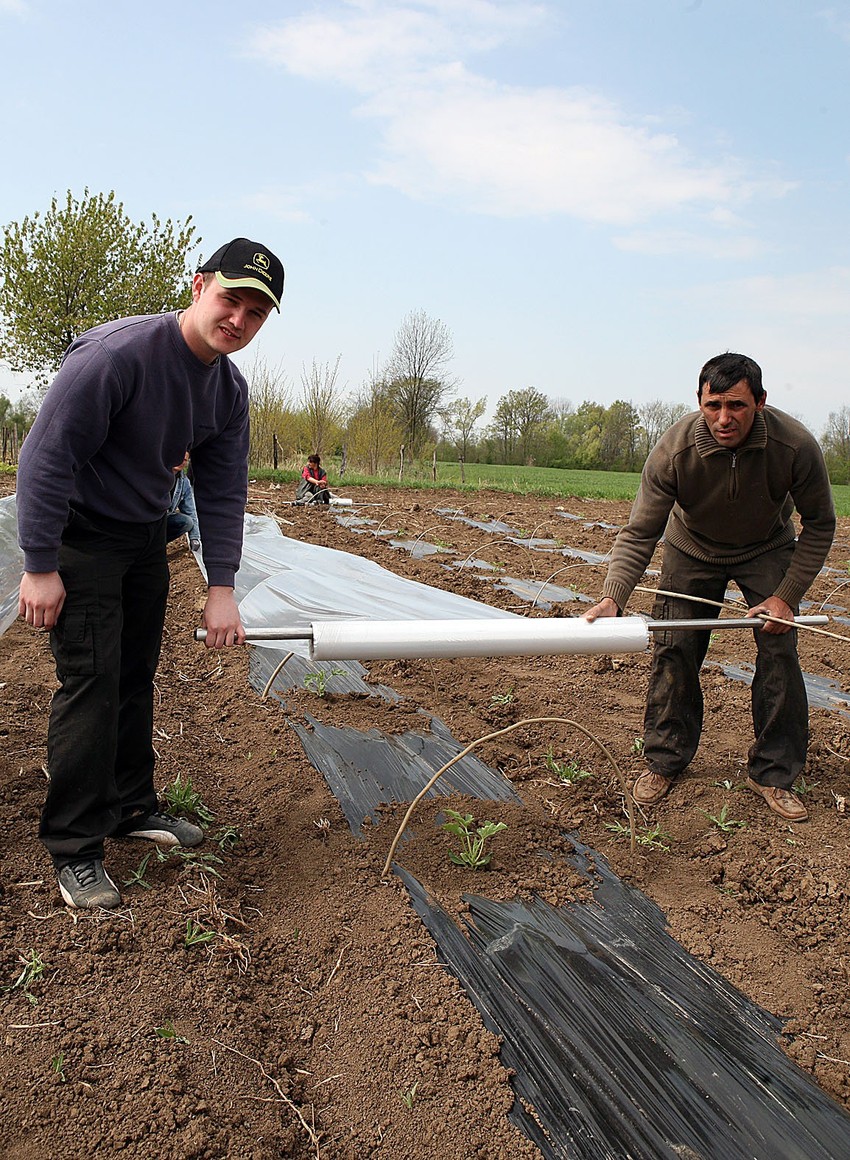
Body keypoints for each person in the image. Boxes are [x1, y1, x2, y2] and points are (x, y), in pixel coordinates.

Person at [16, 237, 284, 908]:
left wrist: (221, 587)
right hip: (82, 539)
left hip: (142, 540)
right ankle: (74, 846)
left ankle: (131, 808)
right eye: (231, 300)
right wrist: (40, 565)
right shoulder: (118, 356)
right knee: (93, 682)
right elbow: (44, 460)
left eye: (256, 313)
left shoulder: (226, 389)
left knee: (134, 674)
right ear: (199, 287)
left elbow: (223, 490)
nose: (239, 321)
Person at [584, 352, 835, 822]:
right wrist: (613, 596)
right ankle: (665, 760)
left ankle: (774, 773)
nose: (724, 418)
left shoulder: (794, 446)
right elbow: (640, 532)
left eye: (737, 406)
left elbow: (820, 524)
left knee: (779, 647)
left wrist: (786, 596)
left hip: (766, 546)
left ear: (760, 403)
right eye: (713, 404)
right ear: (699, 401)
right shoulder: (674, 451)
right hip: (692, 547)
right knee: (673, 646)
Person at [167, 453, 201, 552]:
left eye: (185, 460)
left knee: (187, 522)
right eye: (178, 457)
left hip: (164, 519)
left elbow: (190, 510)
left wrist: (194, 538)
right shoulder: (156, 473)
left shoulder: (184, 483)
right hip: (146, 519)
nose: (181, 462)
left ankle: (157, 545)